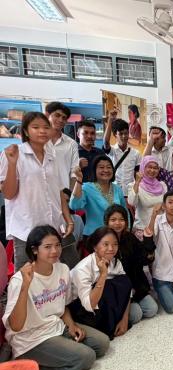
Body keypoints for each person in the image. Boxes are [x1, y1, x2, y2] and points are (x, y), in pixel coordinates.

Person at [2, 225, 110, 370]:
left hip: (55, 327)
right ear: (35, 250)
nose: (54, 251)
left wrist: (71, 325)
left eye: (57, 245)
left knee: (102, 344)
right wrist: (25, 287)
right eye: (47, 247)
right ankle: (28, 365)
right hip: (31, 339)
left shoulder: (62, 269)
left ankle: (58, 352)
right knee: (87, 357)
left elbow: (62, 306)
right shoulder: (20, 279)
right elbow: (16, 326)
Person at [0, 112, 78, 270]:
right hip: (27, 229)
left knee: (62, 272)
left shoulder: (52, 156)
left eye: (46, 127)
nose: (42, 131)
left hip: (54, 226)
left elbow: (58, 192)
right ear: (26, 131)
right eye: (36, 127)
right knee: (27, 275)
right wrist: (12, 164)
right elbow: (8, 194)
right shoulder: (14, 153)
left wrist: (68, 219)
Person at [69, 227, 132, 339]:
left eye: (115, 244)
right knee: (107, 286)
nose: (111, 249)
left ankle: (113, 320)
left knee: (135, 312)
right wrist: (103, 275)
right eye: (105, 244)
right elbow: (89, 305)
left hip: (106, 303)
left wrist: (124, 319)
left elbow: (127, 289)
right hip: (83, 310)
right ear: (95, 247)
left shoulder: (115, 262)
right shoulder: (82, 269)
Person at [104, 205, 158, 324]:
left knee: (152, 310)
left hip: (136, 286)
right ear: (107, 222)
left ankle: (133, 304)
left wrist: (148, 240)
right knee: (136, 315)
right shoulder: (104, 242)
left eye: (121, 219)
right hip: (119, 290)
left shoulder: (129, 237)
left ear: (126, 222)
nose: (117, 223)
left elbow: (144, 259)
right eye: (113, 220)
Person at [70, 155, 127, 237]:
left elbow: (124, 211)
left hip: (115, 236)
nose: (106, 170)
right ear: (94, 170)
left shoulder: (117, 188)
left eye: (109, 167)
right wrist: (79, 180)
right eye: (101, 167)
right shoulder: (86, 187)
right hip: (93, 236)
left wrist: (126, 229)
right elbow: (74, 206)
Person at [103, 110, 142, 197]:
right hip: (114, 192)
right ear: (115, 135)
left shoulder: (136, 153)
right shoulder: (112, 151)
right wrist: (110, 120)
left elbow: (137, 174)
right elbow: (105, 142)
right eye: (120, 134)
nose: (124, 136)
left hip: (130, 192)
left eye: (126, 133)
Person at [127, 156, 167, 240]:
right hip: (143, 229)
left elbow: (166, 205)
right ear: (142, 167)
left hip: (161, 229)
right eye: (149, 167)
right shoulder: (134, 185)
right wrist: (137, 182)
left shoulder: (163, 185)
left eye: (155, 168)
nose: (152, 170)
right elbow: (131, 202)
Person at [44, 102, 79, 190]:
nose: (60, 120)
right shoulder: (38, 141)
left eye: (64, 118)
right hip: (39, 192)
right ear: (47, 115)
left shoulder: (71, 144)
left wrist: (70, 195)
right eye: (57, 115)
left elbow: (74, 173)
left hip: (63, 193)